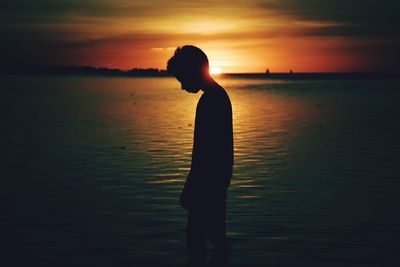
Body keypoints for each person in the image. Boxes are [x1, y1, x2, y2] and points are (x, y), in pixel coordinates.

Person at [167, 45, 233, 267]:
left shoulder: (211, 101)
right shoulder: (216, 97)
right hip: (215, 180)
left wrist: (193, 187)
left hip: (208, 183)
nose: (183, 86)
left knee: (198, 239)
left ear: (195, 71)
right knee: (214, 238)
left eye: (183, 78)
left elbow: (206, 153)